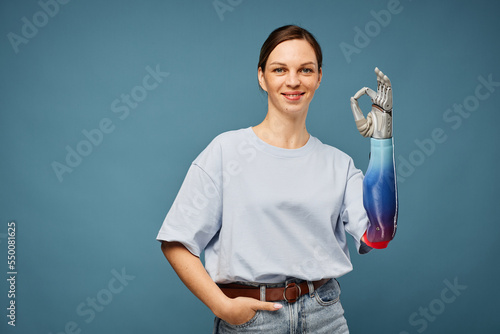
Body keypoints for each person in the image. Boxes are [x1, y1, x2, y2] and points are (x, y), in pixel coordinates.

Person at [157, 25, 398, 333]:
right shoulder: (225, 151)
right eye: (279, 69)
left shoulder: (339, 164)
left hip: (325, 317)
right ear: (262, 76)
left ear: (319, 77)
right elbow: (176, 241)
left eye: (305, 69)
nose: (293, 80)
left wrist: (382, 141)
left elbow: (380, 235)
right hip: (253, 321)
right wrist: (223, 307)